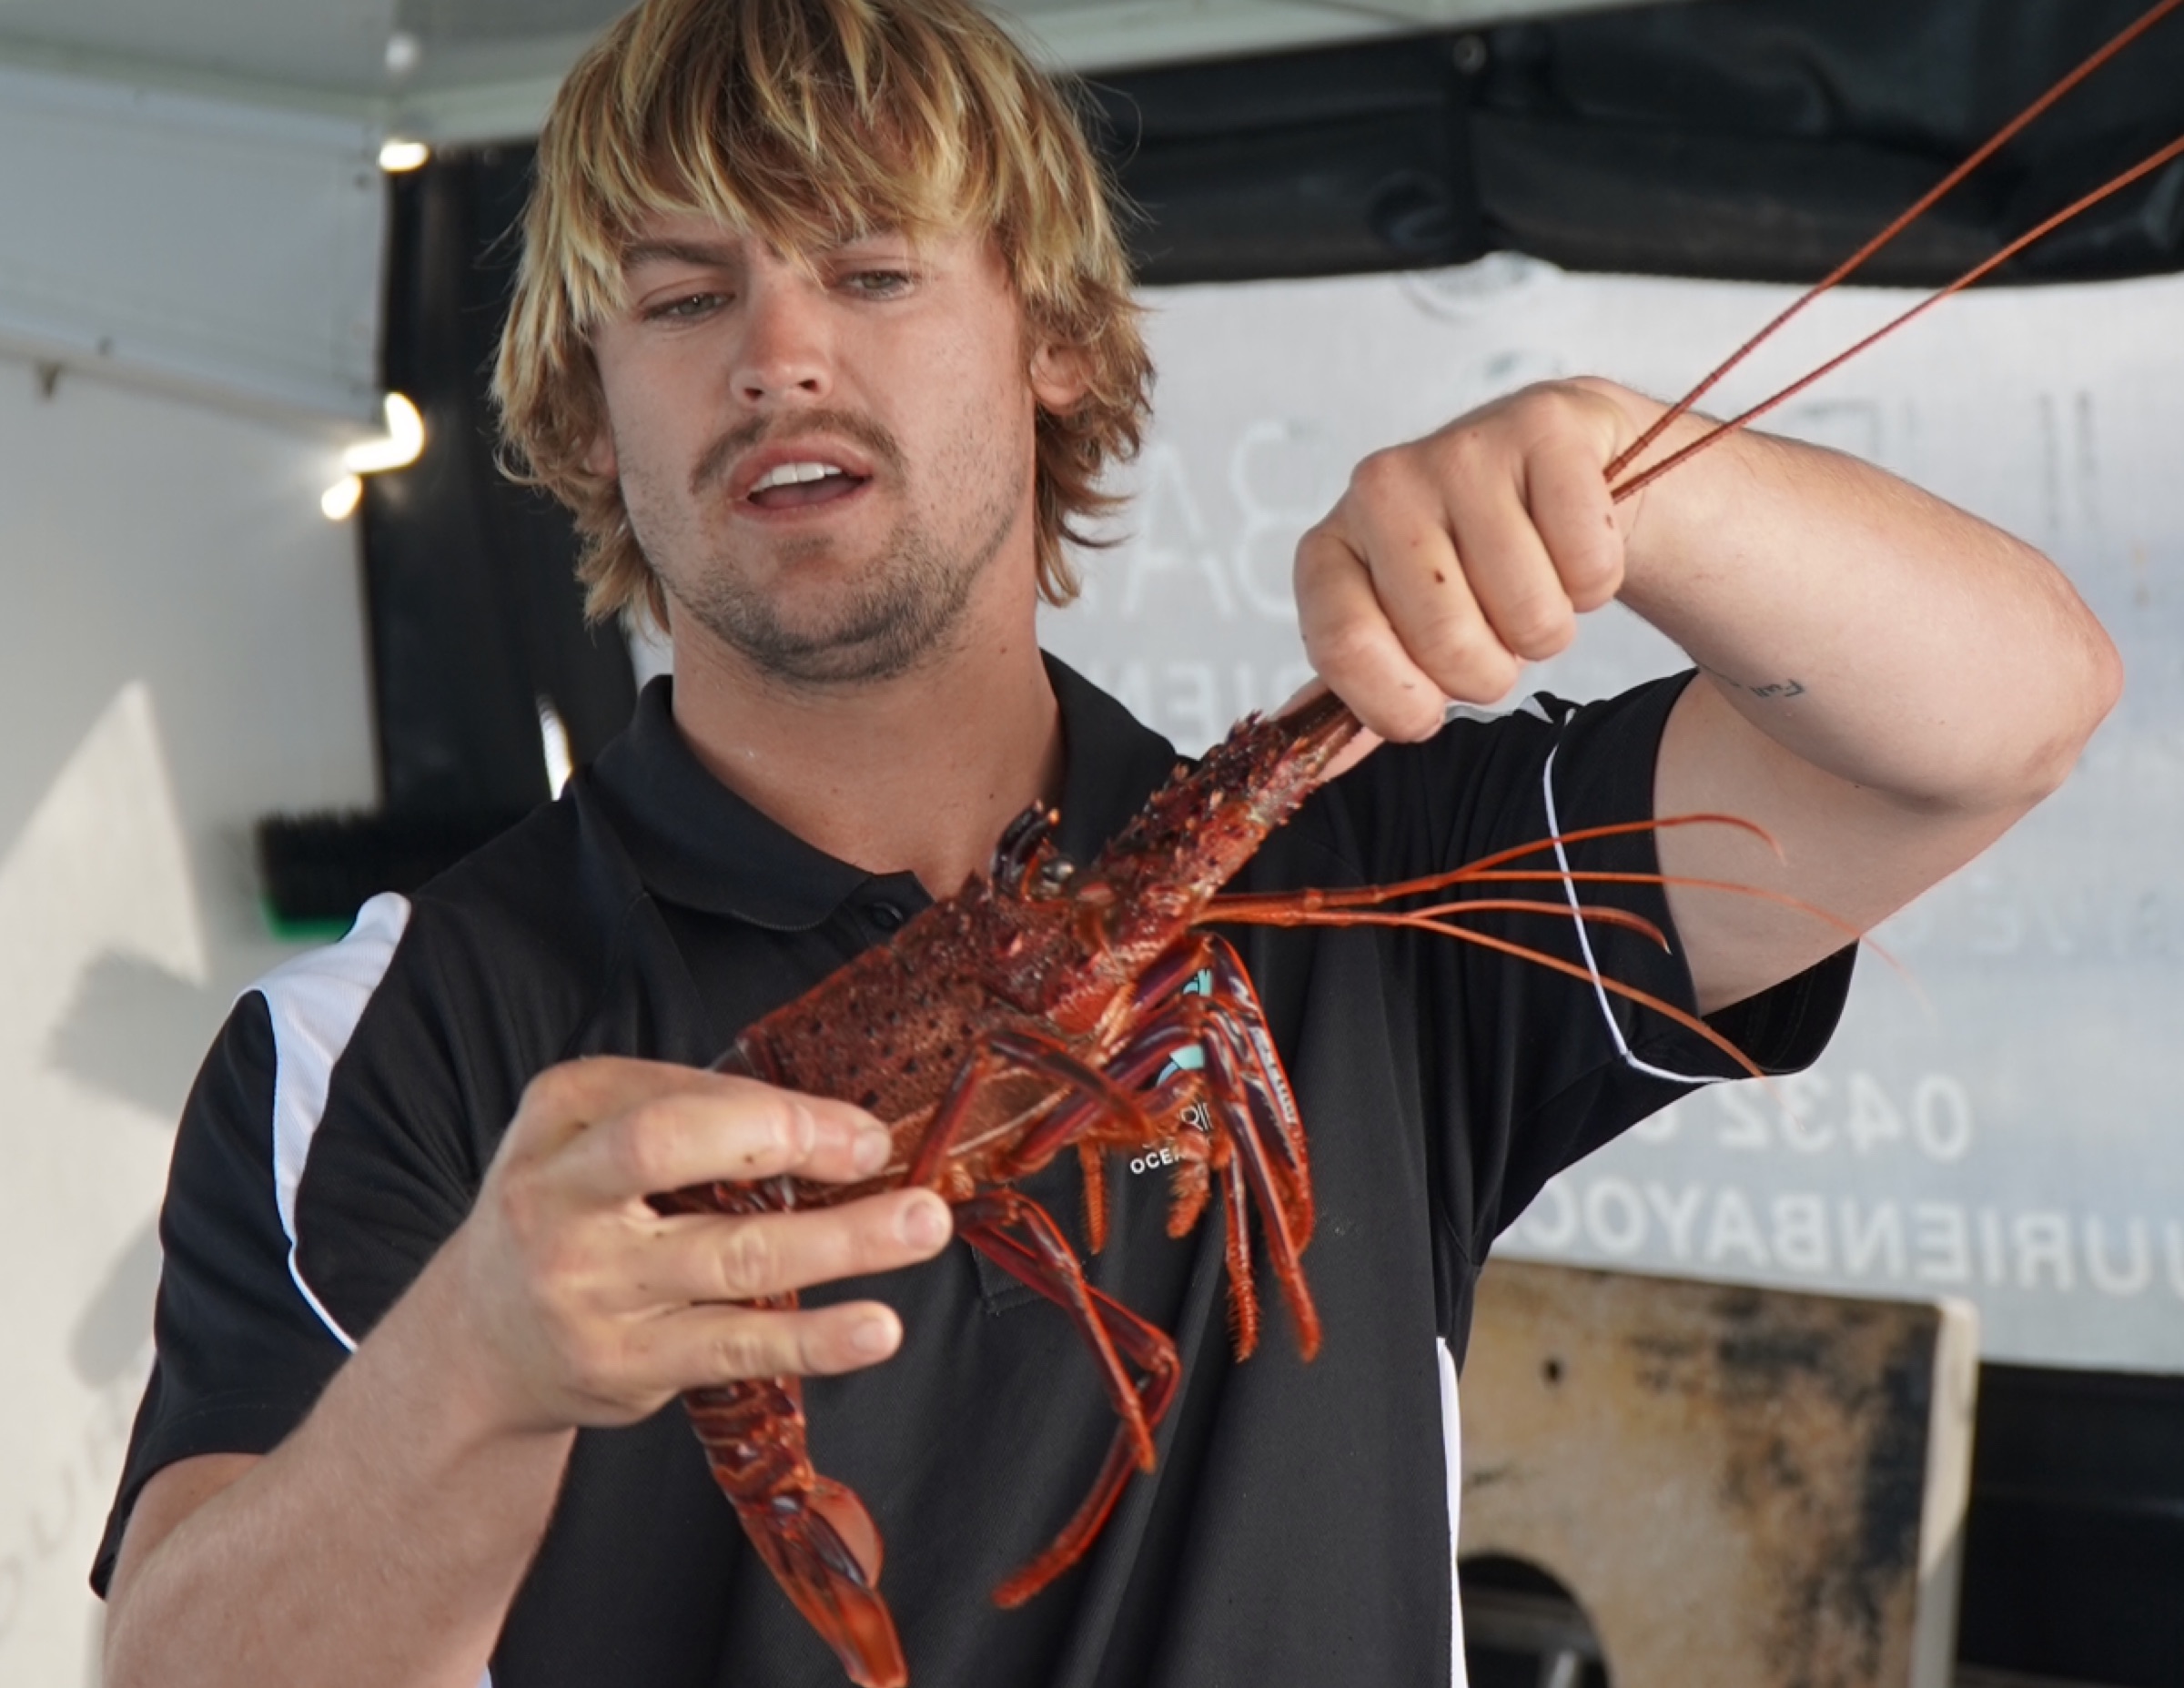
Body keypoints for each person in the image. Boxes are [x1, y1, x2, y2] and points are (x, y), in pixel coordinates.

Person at [94, 1, 2119, 1684]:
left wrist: (1628, 478)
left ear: (1052, 338)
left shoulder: (1335, 879)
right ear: (581, 405)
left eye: (873, 272)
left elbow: (1996, 722)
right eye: (685, 295)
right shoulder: (390, 1029)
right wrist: (483, 1359)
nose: (779, 350)